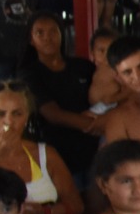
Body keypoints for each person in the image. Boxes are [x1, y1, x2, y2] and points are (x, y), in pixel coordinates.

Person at [0, 80, 82, 214]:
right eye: (0, 114)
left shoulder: (45, 154)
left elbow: (76, 205)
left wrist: (44, 211)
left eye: (17, 114)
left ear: (27, 117)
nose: (9, 122)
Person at [19, 14, 101, 187]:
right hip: (60, 151)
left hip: (94, 148)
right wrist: (97, 125)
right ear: (31, 40)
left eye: (52, 31)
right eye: (40, 33)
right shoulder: (30, 74)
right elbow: (52, 114)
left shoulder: (83, 66)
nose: (47, 37)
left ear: (61, 34)